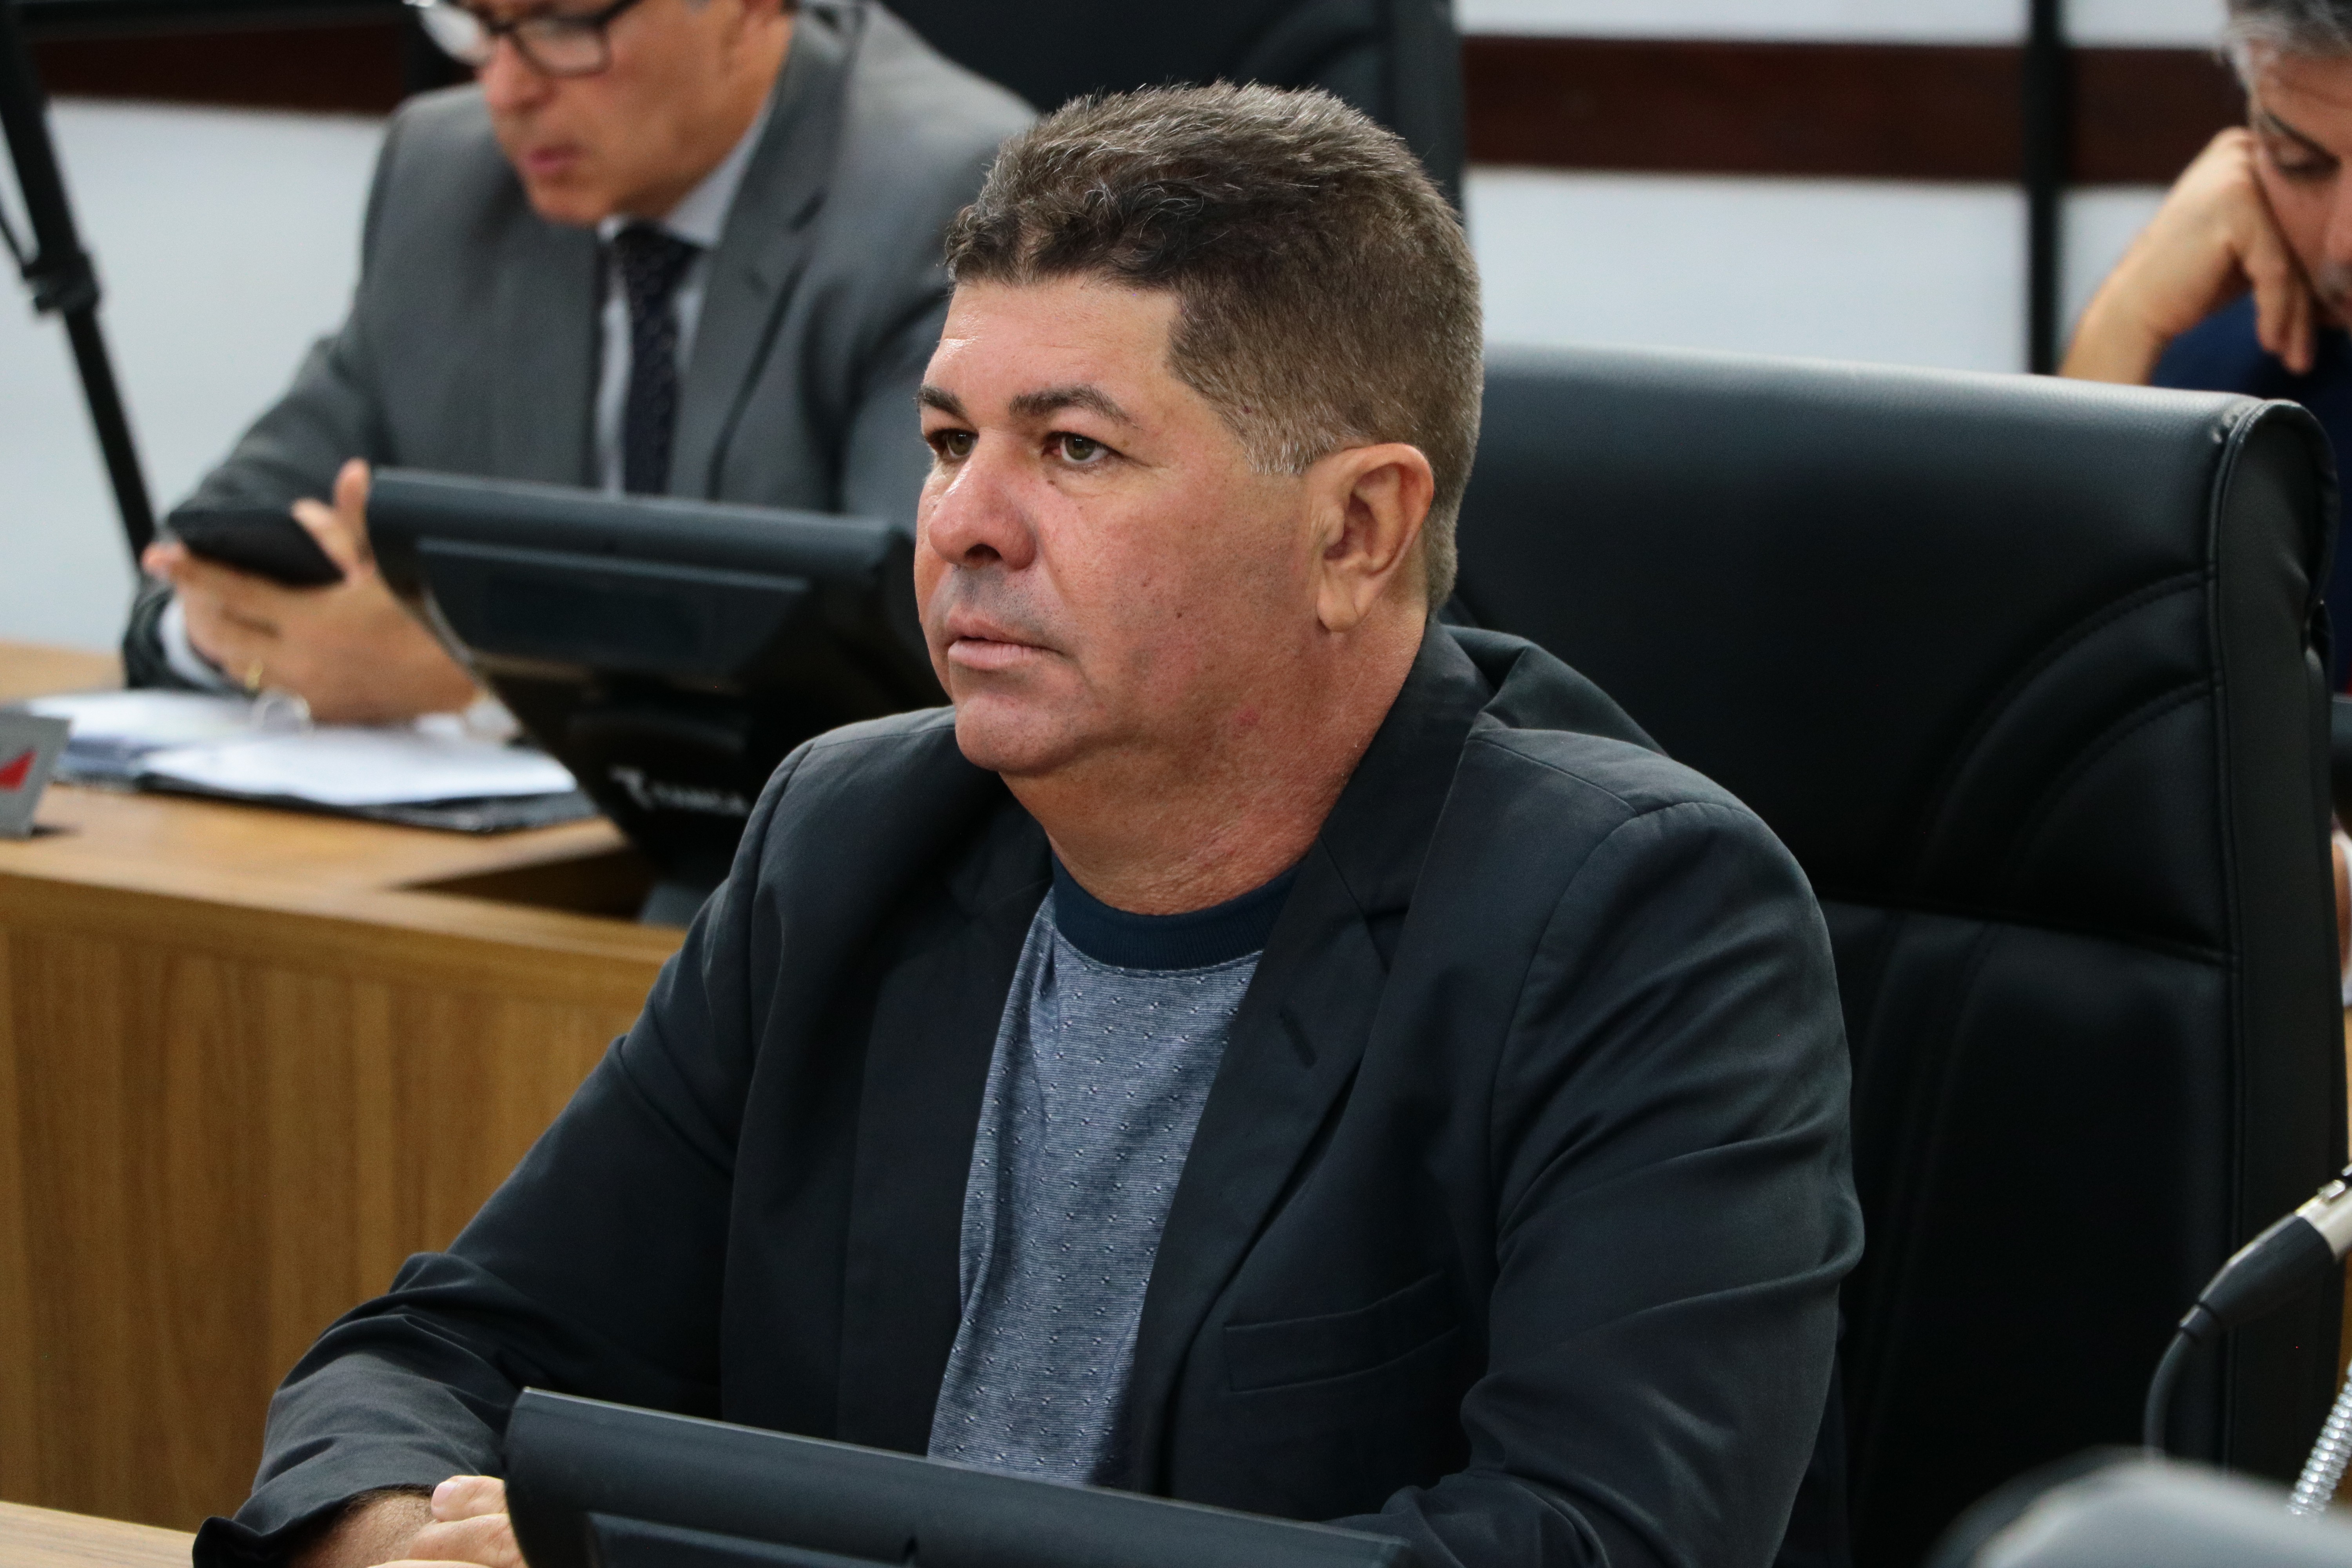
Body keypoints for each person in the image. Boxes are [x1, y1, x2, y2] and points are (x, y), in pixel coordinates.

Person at [196, 86, 1862, 1568]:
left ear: (1357, 528)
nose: (960, 524)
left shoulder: (1640, 920)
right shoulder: (848, 840)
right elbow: (443, 1350)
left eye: (1072, 448)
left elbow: (1591, 1538)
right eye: (947, 441)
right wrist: (397, 1539)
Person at [124, 0, 1029, 724]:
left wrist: (480, 673)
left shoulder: (948, 195)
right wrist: (230, 627)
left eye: (562, 24)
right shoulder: (447, 177)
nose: (506, 88)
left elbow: (921, 640)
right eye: (481, 25)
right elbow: (209, 541)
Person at [2060, 0, 2352, 683]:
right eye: (2299, 163)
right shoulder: (2234, 387)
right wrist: (2126, 322)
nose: (2344, 243)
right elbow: (2043, 685)